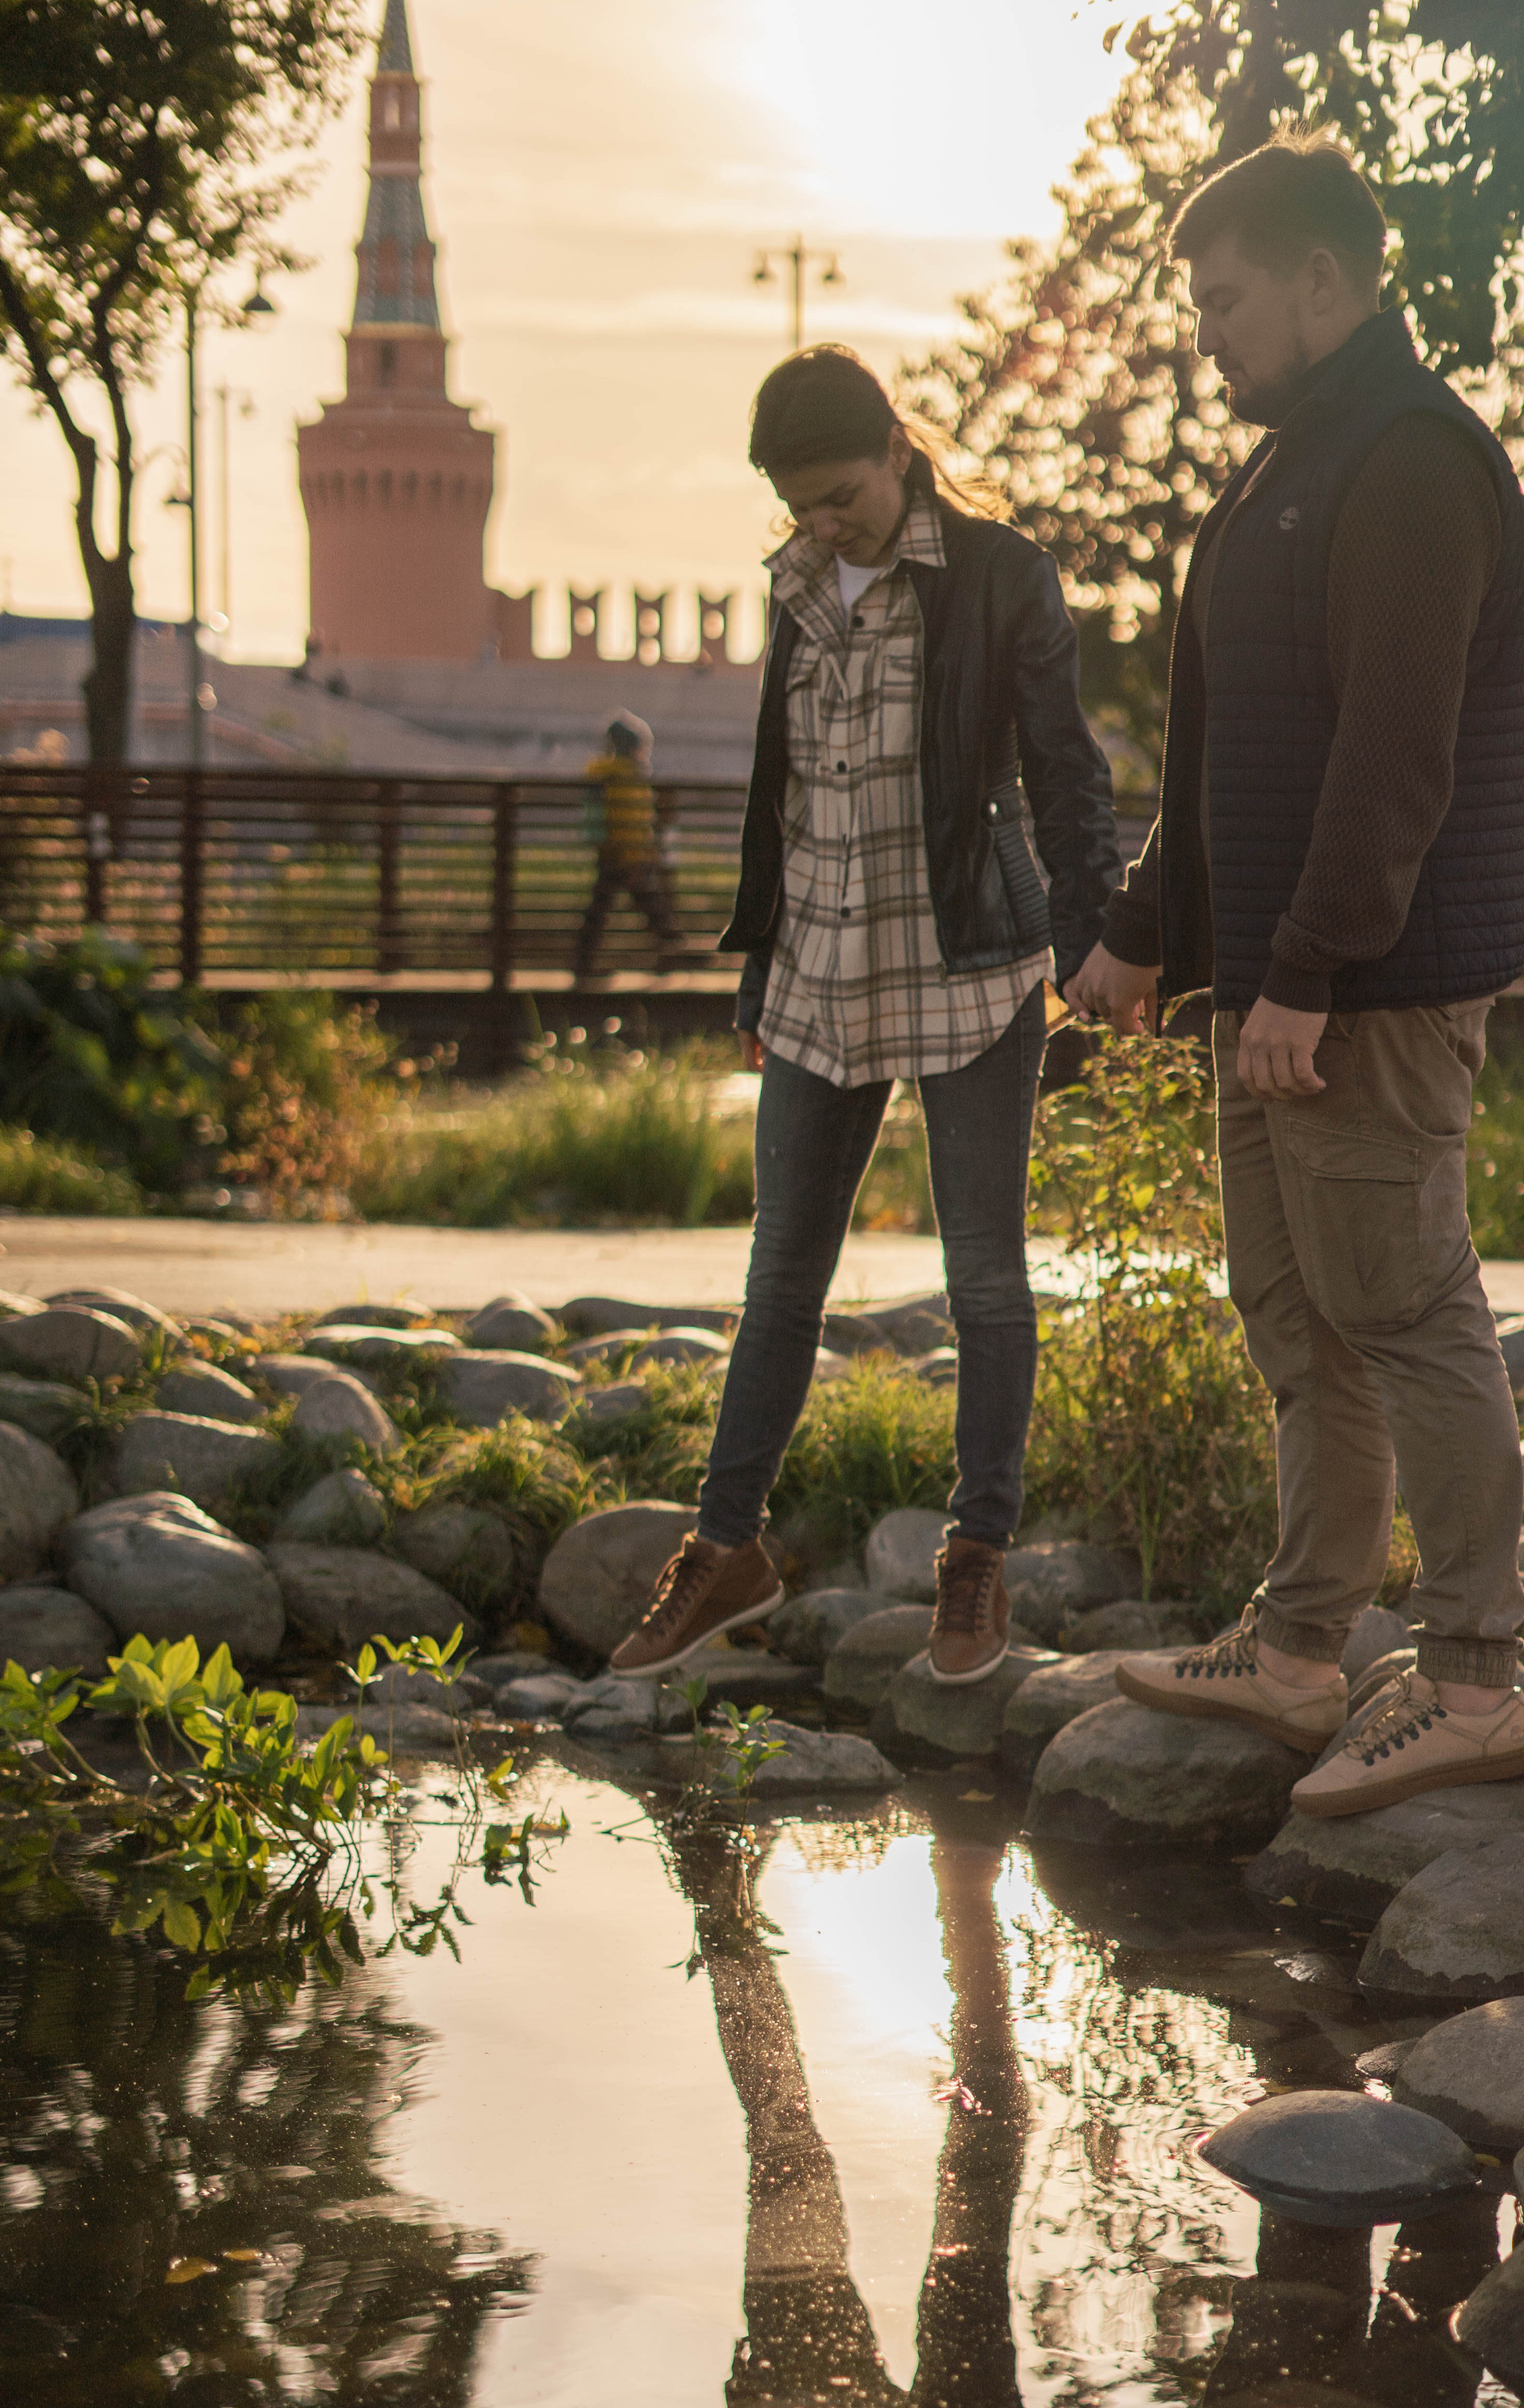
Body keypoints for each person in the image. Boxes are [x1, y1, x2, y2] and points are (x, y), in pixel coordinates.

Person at [1064, 135, 1524, 1818]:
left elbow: (1391, 756)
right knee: (1297, 1323)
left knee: (1404, 1312)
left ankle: (1476, 1676)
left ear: (1325, 281)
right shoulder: (1283, 470)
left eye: (1225, 300)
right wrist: (1142, 929)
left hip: (1365, 990)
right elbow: (1225, 750)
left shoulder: (1407, 461)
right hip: (1270, 988)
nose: (1206, 333)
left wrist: (1309, 971)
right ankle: (1297, 1652)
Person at [610, 346, 1119, 1686]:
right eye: (800, 507)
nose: (823, 525)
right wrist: (755, 973)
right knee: (780, 1279)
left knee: (986, 1282)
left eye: (840, 496)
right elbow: (780, 794)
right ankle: (726, 1550)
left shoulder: (1002, 573)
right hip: (820, 973)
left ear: (897, 448)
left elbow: (1067, 770)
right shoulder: (795, 589)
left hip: (969, 970)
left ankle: (976, 1558)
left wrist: (1098, 938)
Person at [573, 710, 687, 981]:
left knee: (602, 909)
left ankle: (583, 964)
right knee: (649, 907)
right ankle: (672, 953)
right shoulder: (629, 777)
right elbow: (635, 821)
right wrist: (644, 851)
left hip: (612, 853)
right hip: (629, 856)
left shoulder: (604, 775)